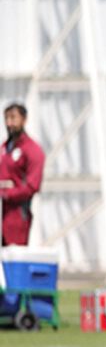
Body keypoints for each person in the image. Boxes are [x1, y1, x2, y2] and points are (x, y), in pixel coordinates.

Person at [1, 103, 45, 246]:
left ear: (24, 119)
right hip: (2, 211)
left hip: (17, 215)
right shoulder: (4, 148)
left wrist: (6, 194)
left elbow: (32, 186)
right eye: (6, 119)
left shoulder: (32, 149)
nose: (9, 123)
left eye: (13, 118)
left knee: (13, 254)